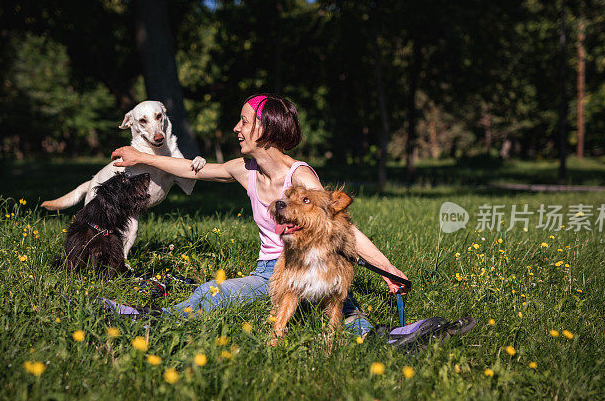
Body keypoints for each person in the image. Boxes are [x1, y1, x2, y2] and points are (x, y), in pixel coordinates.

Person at [105, 93, 408, 336]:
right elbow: (190, 170)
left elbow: (341, 228)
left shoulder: (300, 177)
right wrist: (140, 156)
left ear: (265, 128)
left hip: (309, 265)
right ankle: (153, 319)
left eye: (244, 122)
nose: (236, 128)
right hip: (270, 272)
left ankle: (387, 339)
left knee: (340, 309)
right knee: (216, 291)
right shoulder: (243, 169)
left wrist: (387, 269)